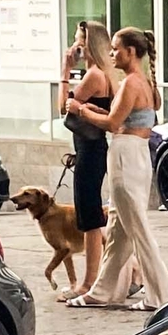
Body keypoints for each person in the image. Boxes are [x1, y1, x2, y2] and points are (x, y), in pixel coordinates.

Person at [72, 27, 168, 312]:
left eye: (116, 48)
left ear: (131, 52)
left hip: (125, 154)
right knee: (119, 228)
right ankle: (104, 291)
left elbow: (111, 123)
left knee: (137, 228)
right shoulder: (145, 82)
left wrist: (80, 109)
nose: (111, 53)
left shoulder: (131, 83)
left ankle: (161, 294)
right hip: (138, 154)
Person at [52, 20, 114, 297]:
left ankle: (88, 282)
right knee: (91, 215)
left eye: (78, 39)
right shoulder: (106, 74)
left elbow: (62, 106)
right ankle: (128, 270)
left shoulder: (94, 76)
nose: (74, 45)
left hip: (90, 149)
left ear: (88, 44)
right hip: (93, 147)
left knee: (89, 217)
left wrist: (65, 71)